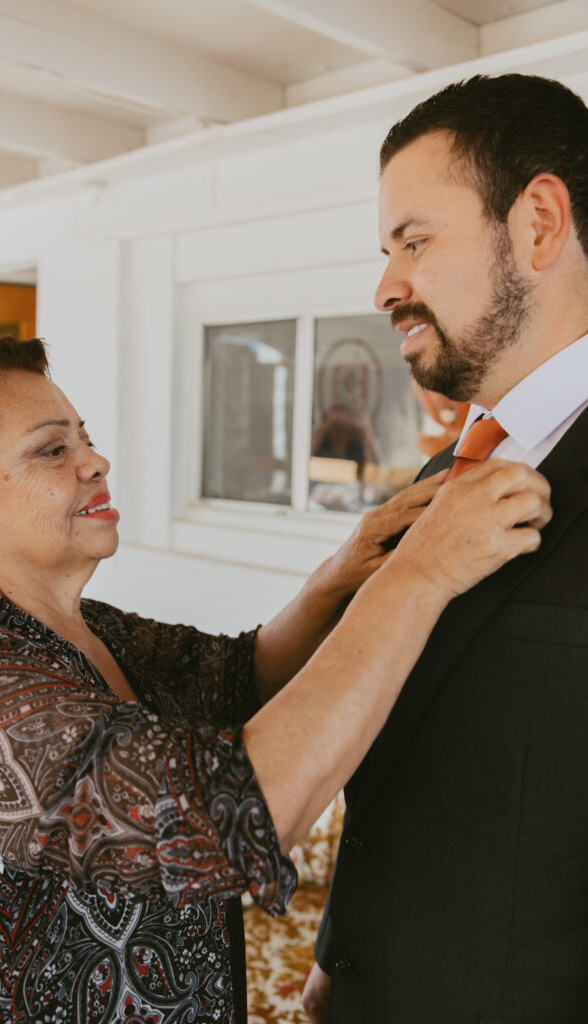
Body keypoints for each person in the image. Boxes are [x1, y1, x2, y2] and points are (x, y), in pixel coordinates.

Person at [0, 339, 549, 1024]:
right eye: (51, 450)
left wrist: (342, 574)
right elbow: (231, 813)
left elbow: (242, 676)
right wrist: (420, 574)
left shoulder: (89, 628)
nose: (96, 462)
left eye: (84, 439)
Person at [304, 73, 588, 1024]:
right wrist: (339, 949)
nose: (386, 286)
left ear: (539, 222)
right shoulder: (434, 483)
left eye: (414, 242)